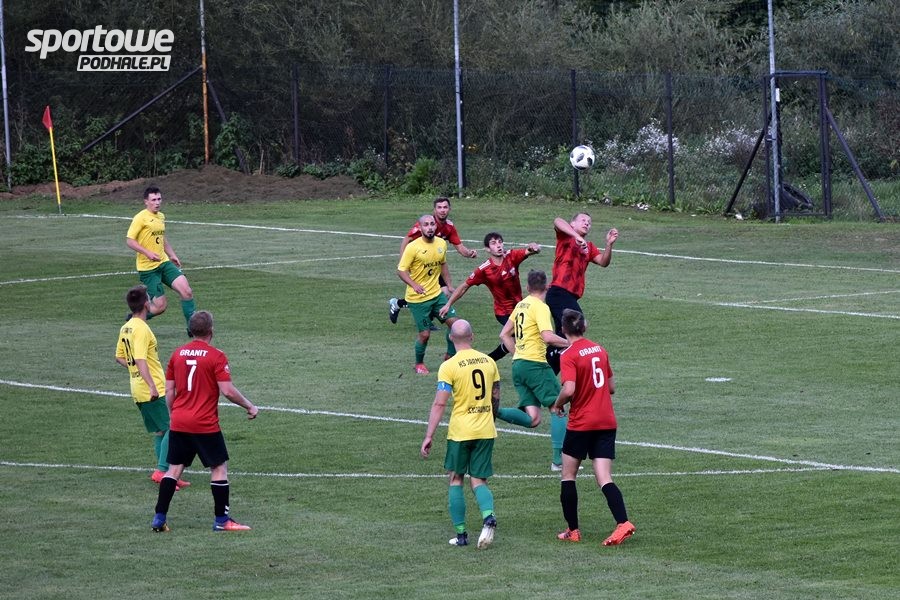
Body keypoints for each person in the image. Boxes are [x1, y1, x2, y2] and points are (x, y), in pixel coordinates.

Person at [150, 310, 258, 533]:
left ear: (191, 330)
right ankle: (222, 520)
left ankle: (159, 518)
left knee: (174, 469)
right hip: (204, 424)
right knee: (219, 468)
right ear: (211, 330)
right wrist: (249, 405)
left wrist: (174, 413)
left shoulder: (177, 354)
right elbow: (227, 391)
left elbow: (169, 390)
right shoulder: (216, 356)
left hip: (179, 421)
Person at [550, 309, 635, 546]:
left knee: (568, 476)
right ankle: (623, 523)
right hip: (606, 421)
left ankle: (573, 530)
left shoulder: (569, 355)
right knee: (604, 477)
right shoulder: (600, 349)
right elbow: (611, 387)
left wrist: (557, 404)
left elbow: (569, 389)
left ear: (563, 330)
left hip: (582, 423)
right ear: (584, 327)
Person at [421, 320, 500, 549]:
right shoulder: (489, 362)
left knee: (456, 478)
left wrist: (429, 435)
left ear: (451, 338)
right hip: (485, 429)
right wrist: (489, 420)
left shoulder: (449, 366)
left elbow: (440, 403)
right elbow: (495, 397)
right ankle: (488, 516)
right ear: (472, 337)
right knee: (479, 480)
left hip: (461, 432)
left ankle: (461, 535)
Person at [116, 285, 190, 490]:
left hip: (137, 387)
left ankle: (166, 472)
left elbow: (120, 357)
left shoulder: (126, 327)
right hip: (151, 387)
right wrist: (151, 385)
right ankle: (163, 472)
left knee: (160, 430)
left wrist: (135, 371)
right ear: (146, 304)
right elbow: (140, 359)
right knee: (173, 427)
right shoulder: (141, 329)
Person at [498, 270, 571, 471]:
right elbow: (548, 337)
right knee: (558, 408)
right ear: (547, 286)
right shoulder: (540, 307)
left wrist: (517, 353)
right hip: (536, 365)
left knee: (533, 419)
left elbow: (504, 334)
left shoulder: (521, 305)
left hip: (519, 366)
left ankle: (494, 410)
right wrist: (572, 343)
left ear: (528, 287)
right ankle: (558, 461)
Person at [438, 232, 541, 361]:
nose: (498, 245)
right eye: (493, 243)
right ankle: (522, 362)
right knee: (522, 336)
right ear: (487, 249)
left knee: (514, 339)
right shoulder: (484, 269)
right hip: (503, 312)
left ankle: (487, 361)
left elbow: (531, 250)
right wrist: (448, 304)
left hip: (519, 308)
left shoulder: (511, 256)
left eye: (500, 242)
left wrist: (534, 247)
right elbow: (464, 286)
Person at [545, 213, 618, 374]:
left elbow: (603, 262)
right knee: (578, 324)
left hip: (569, 296)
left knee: (564, 337)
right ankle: (550, 364)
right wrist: (576, 236)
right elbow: (557, 220)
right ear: (572, 224)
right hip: (558, 292)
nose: (587, 223)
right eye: (583, 220)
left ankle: (546, 373)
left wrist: (609, 244)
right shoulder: (565, 236)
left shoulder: (589, 246)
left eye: (589, 222)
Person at [389, 196, 479, 324]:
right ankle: (419, 317)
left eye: (445, 207)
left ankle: (400, 305)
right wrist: (403, 261)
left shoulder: (449, 227)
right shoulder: (426, 224)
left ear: (449, 209)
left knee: (444, 293)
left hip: (433, 265)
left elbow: (460, 247)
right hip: (419, 264)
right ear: (434, 210)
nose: (442, 210)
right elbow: (407, 239)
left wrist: (469, 253)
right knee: (423, 294)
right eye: (439, 207)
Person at [396, 214, 462, 374]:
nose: (430, 227)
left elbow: (443, 265)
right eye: (426, 225)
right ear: (420, 228)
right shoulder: (413, 247)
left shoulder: (441, 243)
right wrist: (414, 285)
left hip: (437, 295)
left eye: (432, 224)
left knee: (456, 326)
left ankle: (449, 356)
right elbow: (401, 270)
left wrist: (449, 285)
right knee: (425, 335)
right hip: (418, 300)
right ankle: (419, 363)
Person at [126, 186, 196, 334]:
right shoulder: (140, 218)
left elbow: (161, 238)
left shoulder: (161, 216)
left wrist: (172, 255)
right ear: (146, 201)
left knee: (187, 291)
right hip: (148, 269)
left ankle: (193, 328)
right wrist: (147, 253)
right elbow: (130, 241)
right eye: (153, 200)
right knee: (160, 307)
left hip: (163, 263)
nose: (157, 202)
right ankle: (134, 319)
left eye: (159, 199)